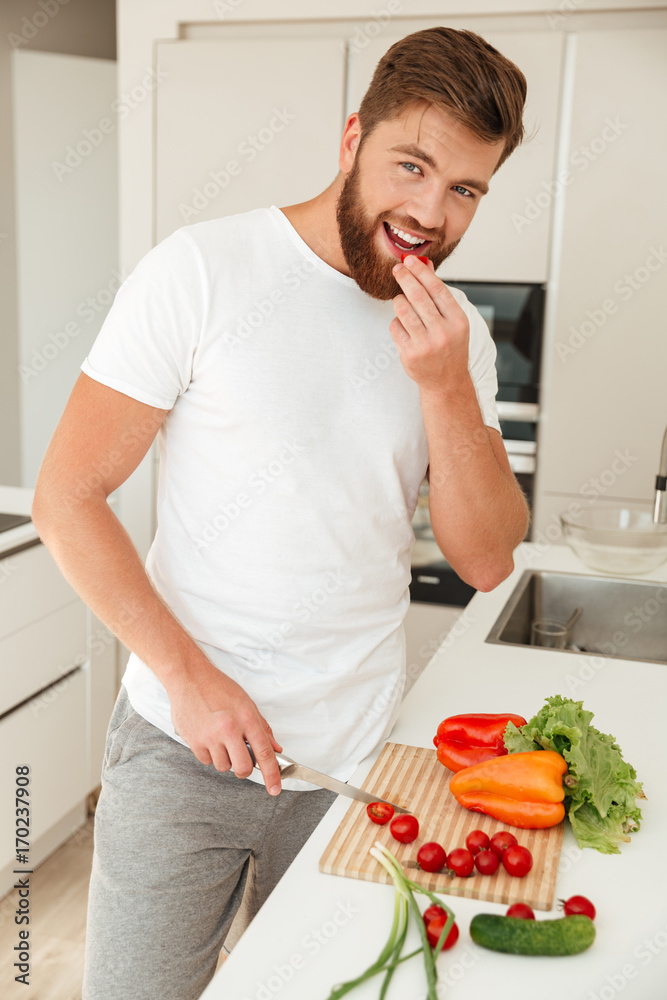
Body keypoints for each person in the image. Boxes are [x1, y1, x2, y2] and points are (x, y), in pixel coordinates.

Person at [32, 25, 530, 1000]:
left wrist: (444, 389)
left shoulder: (452, 333)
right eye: (411, 167)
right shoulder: (203, 271)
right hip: (183, 751)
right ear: (352, 140)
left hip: (354, 761)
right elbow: (68, 496)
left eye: (465, 189)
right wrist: (189, 679)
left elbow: (485, 559)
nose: (431, 212)